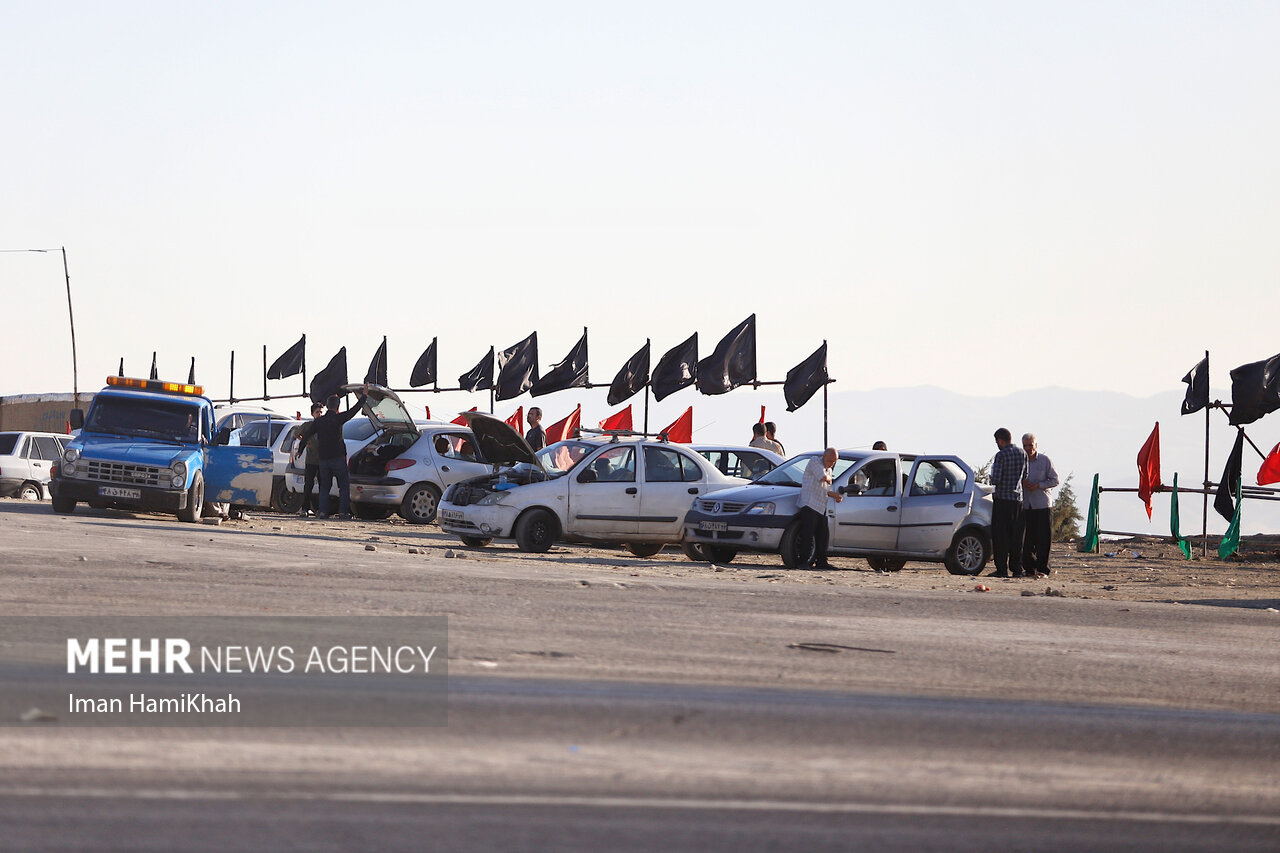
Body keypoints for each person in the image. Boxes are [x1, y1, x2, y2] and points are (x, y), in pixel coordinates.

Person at [299, 384, 368, 519]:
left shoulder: (319, 422)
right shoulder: (339, 418)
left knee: (325, 486)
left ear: (328, 406)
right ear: (337, 407)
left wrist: (300, 449)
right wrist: (364, 395)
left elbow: (306, 435)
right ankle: (342, 512)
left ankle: (323, 512)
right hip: (337, 458)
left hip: (323, 459)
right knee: (343, 485)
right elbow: (355, 409)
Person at [988, 427, 1029, 578]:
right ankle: (1017, 569)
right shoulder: (1023, 454)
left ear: (1000, 440)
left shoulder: (1000, 455)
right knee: (1017, 537)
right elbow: (1026, 475)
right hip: (1018, 501)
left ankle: (1002, 570)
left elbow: (996, 479)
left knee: (1001, 537)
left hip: (1002, 500)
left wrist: (991, 478)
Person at [797, 447, 844, 570]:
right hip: (809, 503)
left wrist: (837, 496)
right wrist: (829, 478)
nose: (832, 464)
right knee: (807, 534)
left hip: (821, 506)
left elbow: (827, 491)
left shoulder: (828, 470)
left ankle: (822, 561)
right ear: (824, 457)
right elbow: (822, 476)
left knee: (823, 535)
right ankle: (802, 561)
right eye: (830, 461)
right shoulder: (814, 461)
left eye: (834, 462)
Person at [1020, 433, 1060, 577]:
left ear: (1036, 445)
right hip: (1026, 504)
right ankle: (1029, 568)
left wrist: (1039, 485)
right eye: (1025, 445)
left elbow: (1055, 480)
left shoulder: (1045, 460)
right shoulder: (1020, 461)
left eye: (1031, 445)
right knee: (1027, 539)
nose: (1028, 448)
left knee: (1044, 539)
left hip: (1042, 504)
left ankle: (1043, 569)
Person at [294, 402, 324, 517]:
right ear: (312, 414)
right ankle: (305, 508)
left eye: (321, 412)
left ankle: (321, 509)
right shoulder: (307, 425)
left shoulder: (324, 425)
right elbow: (296, 434)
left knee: (323, 485)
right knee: (308, 485)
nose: (319, 414)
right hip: (311, 460)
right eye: (317, 412)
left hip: (322, 460)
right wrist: (305, 443)